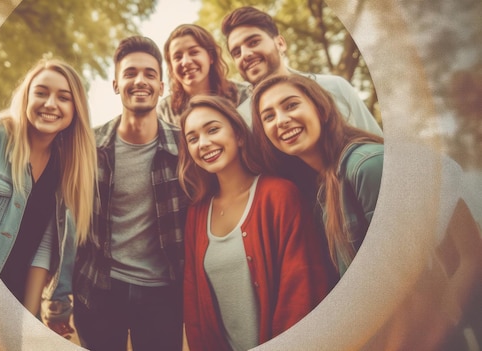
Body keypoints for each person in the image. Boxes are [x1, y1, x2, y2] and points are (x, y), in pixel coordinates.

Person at [178, 94, 333, 350]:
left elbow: (301, 290)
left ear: (239, 135)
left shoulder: (280, 195)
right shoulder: (195, 214)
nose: (203, 143)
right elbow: (195, 309)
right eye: (192, 138)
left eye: (213, 129)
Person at [0, 58, 96, 336]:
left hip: (14, 303)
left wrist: (28, 319)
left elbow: (45, 247)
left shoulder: (65, 166)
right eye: (41, 92)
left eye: (63, 97)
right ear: (27, 96)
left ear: (75, 109)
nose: (50, 103)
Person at [73, 36, 189, 351]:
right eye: (130, 73)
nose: (140, 80)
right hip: (99, 288)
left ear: (162, 86)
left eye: (150, 74)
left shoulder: (187, 148)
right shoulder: (90, 148)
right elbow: (66, 219)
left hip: (163, 293)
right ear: (115, 84)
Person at [251, 73, 384, 276]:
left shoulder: (367, 166)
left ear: (320, 109)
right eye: (269, 117)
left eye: (291, 105)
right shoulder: (315, 189)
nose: (281, 121)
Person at [221, 6, 383, 136]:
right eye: (237, 52)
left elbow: (378, 147)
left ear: (280, 43)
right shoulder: (242, 121)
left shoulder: (335, 87)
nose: (245, 55)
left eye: (253, 42)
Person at [158, 23, 251, 126]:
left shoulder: (242, 95)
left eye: (194, 52)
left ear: (210, 57)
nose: (186, 62)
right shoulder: (165, 111)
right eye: (178, 57)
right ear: (171, 66)